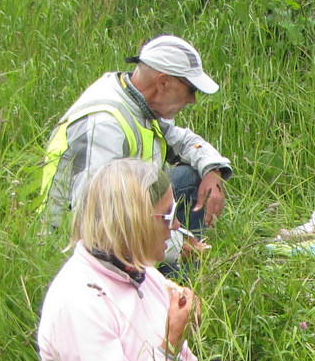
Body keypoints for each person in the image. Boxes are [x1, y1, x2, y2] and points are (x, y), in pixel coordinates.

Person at [38, 159, 245, 361]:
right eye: (168, 216)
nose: (176, 226)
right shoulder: (78, 300)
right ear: (131, 223)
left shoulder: (142, 273)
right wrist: (171, 343)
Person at [41, 35, 232, 245]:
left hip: (129, 213)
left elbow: (186, 142)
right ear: (164, 82)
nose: (192, 99)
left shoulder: (140, 102)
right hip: (76, 241)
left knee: (191, 175)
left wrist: (214, 173)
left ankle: (175, 268)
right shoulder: (105, 124)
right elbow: (98, 222)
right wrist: (174, 247)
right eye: (191, 90)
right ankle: (174, 273)